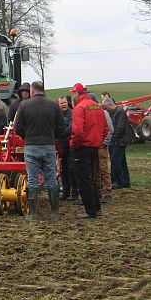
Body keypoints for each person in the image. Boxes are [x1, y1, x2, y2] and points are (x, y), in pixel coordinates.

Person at [14, 80, 66, 221]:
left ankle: (32, 214)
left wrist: (26, 137)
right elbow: (61, 128)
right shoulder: (53, 106)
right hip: (48, 145)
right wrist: (52, 137)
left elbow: (17, 127)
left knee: (32, 179)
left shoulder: (24, 105)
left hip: (31, 146)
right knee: (51, 178)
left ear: (32, 90)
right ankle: (54, 213)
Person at [69, 83, 108, 219]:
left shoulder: (79, 108)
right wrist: (98, 141)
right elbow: (105, 129)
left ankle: (90, 210)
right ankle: (96, 208)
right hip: (94, 147)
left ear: (77, 94)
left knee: (84, 180)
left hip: (82, 148)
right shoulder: (97, 106)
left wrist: (74, 145)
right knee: (91, 178)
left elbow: (78, 131)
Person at [104, 97, 133, 190]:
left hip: (120, 140)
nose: (106, 110)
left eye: (106, 108)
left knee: (115, 160)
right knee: (121, 161)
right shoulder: (117, 112)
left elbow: (119, 128)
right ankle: (125, 181)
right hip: (120, 140)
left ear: (109, 105)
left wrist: (113, 139)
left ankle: (118, 181)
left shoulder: (119, 112)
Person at [56, 96, 76, 200]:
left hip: (71, 145)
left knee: (72, 169)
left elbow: (71, 128)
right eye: (61, 103)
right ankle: (66, 191)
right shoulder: (56, 115)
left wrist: (60, 133)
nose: (63, 104)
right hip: (61, 146)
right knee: (63, 170)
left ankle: (74, 192)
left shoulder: (73, 113)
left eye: (65, 102)